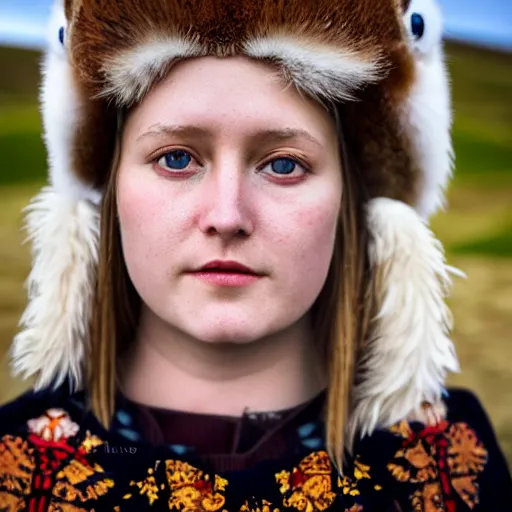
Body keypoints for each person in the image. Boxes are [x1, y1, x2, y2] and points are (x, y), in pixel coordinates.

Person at [0, 0, 510, 510]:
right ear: (108, 189)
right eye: (176, 158)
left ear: (349, 200)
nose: (227, 214)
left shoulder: (447, 465)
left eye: (284, 165)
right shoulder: (14, 466)